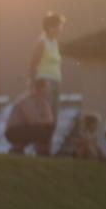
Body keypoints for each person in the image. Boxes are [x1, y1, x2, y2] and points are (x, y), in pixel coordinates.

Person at [26, 12, 65, 147]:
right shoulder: (42, 42)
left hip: (56, 81)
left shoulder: (55, 43)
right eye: (59, 26)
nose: (61, 30)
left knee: (54, 115)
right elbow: (33, 64)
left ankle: (48, 146)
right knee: (45, 115)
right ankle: (41, 146)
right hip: (45, 82)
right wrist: (32, 85)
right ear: (51, 27)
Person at [5, 78, 54, 155]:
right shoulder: (26, 100)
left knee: (48, 128)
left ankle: (42, 151)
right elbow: (33, 121)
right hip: (13, 130)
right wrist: (43, 121)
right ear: (41, 89)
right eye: (47, 88)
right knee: (41, 130)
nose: (49, 90)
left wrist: (42, 121)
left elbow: (50, 120)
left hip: (27, 127)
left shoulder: (44, 102)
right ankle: (20, 149)